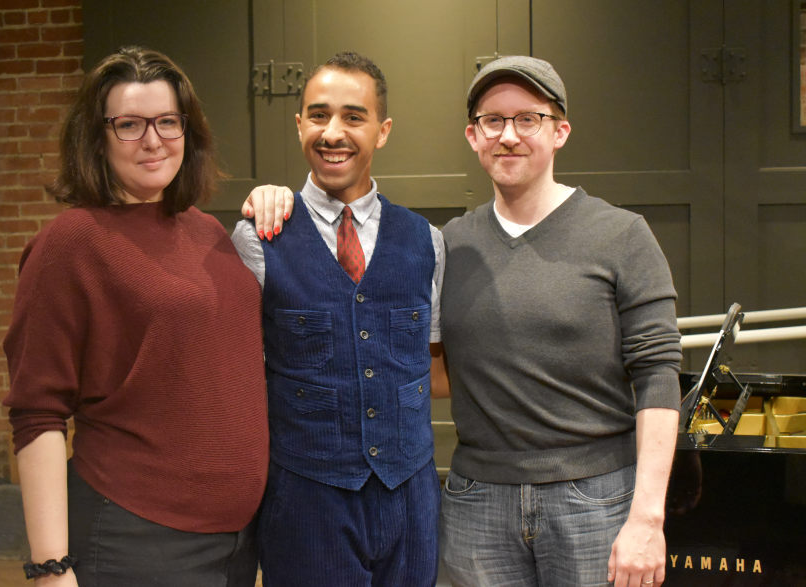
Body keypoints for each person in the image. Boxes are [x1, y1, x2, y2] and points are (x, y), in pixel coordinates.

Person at [2, 46, 269, 587]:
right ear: (96, 136)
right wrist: (50, 569)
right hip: (135, 538)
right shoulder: (69, 245)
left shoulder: (205, 231)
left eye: (168, 121)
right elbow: (37, 413)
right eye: (129, 124)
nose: (153, 140)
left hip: (237, 540)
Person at [433, 56, 682, 587]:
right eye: (492, 121)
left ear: (560, 131)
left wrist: (648, 518)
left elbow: (658, 377)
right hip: (477, 503)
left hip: (598, 501)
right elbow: (432, 370)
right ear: (473, 136)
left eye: (528, 119)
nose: (508, 136)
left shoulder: (622, 235)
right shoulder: (448, 245)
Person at [231, 51, 445, 587]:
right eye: (319, 115)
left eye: (354, 117)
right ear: (299, 122)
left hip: (411, 498)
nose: (333, 133)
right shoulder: (259, 237)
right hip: (306, 499)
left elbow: (434, 365)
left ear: (382, 130)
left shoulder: (427, 241)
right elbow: (237, 379)